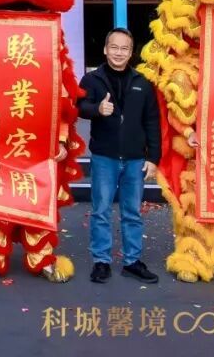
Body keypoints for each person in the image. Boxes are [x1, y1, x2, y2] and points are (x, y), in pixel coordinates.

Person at [77, 27, 161, 284]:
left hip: (135, 159)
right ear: (105, 49)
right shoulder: (92, 80)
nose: (119, 53)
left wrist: (153, 158)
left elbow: (152, 121)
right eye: (114, 47)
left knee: (132, 212)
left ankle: (132, 261)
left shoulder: (142, 82)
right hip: (105, 157)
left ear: (131, 52)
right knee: (101, 210)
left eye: (125, 48)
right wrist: (97, 109)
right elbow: (79, 107)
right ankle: (101, 262)